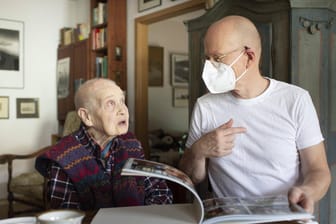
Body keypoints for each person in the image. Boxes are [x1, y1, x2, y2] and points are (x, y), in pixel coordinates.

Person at [179, 15, 331, 214]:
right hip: (228, 219)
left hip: (284, 218)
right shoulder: (205, 106)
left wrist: (308, 191)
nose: (209, 67)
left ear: (249, 56)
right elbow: (191, 177)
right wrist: (199, 150)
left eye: (217, 58)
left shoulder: (296, 100)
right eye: (207, 59)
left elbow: (318, 169)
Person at [36, 78, 173, 210]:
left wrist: (142, 218)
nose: (123, 110)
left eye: (122, 101)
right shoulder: (63, 155)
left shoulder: (131, 143)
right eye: (110, 103)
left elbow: (159, 192)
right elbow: (68, 217)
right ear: (86, 117)